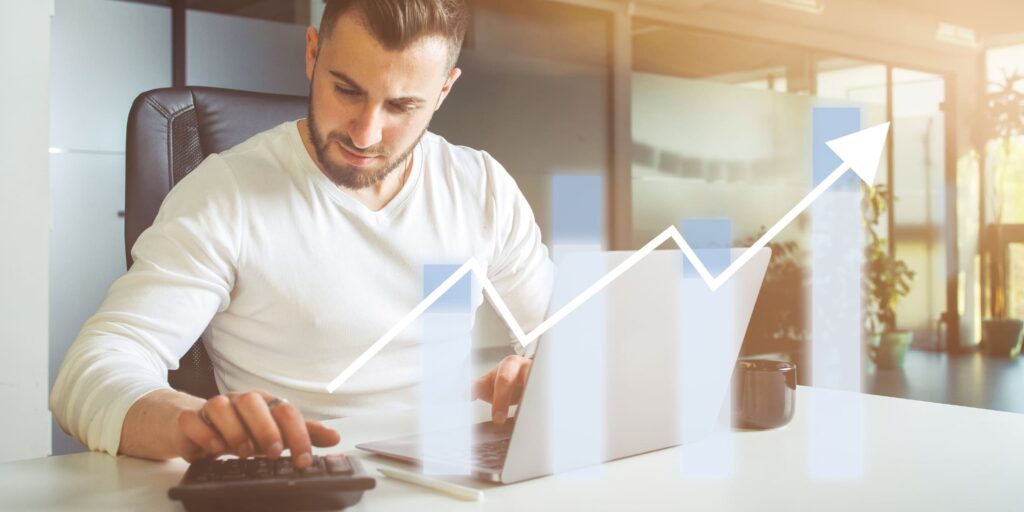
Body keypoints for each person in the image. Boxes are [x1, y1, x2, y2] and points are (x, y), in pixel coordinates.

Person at [50, 0, 553, 469]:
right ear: (313, 54)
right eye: (347, 90)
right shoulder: (226, 193)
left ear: (443, 91)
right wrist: (191, 422)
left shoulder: (481, 185)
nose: (365, 134)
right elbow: (91, 371)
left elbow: (571, 338)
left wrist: (545, 373)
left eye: (401, 107)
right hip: (308, 481)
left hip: (453, 477)